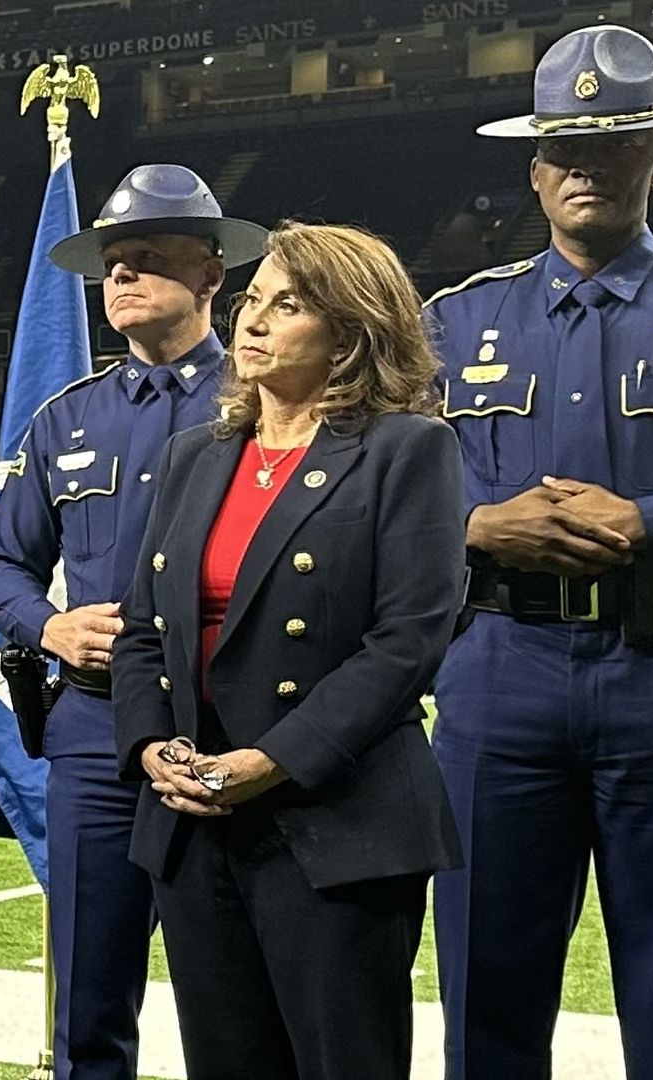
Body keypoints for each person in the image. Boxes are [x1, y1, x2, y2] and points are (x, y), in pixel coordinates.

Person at [428, 24, 653, 1079]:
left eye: (615, 146)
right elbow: (375, 493)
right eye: (567, 148)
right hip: (498, 672)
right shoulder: (451, 322)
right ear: (535, 167)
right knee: (483, 993)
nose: (587, 168)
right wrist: (475, 523)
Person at [111, 222, 465, 1080]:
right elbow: (141, 628)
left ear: (351, 331)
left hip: (334, 823)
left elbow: (406, 642)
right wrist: (152, 745)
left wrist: (269, 761)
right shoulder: (198, 454)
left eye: (290, 304)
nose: (254, 322)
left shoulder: (407, 449)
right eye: (253, 300)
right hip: (195, 825)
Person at [0, 163, 265, 1080]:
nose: (121, 278)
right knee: (88, 1004)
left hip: (231, 725)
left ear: (212, 274)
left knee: (240, 998)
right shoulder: (65, 419)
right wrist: (46, 628)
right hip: (96, 734)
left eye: (146, 258)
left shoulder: (269, 408)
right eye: (111, 263)